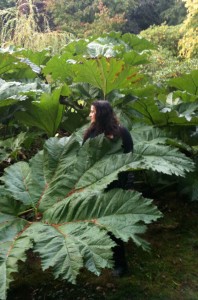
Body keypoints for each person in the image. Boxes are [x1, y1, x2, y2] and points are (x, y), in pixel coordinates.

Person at [83, 100, 134, 277]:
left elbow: (130, 159)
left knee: (114, 228)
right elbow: (84, 161)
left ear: (102, 114)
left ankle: (121, 266)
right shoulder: (90, 134)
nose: (90, 115)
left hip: (116, 186)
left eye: (92, 112)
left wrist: (128, 186)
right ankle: (101, 258)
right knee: (96, 226)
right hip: (95, 187)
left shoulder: (122, 133)